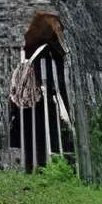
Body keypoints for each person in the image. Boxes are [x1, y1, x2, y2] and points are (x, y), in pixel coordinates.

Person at [7, 10, 72, 171]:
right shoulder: (49, 53)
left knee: (29, 146)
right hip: (41, 105)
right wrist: (68, 111)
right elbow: (56, 84)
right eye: (58, 29)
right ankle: (45, 174)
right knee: (43, 144)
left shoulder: (29, 51)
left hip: (25, 107)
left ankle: (31, 173)